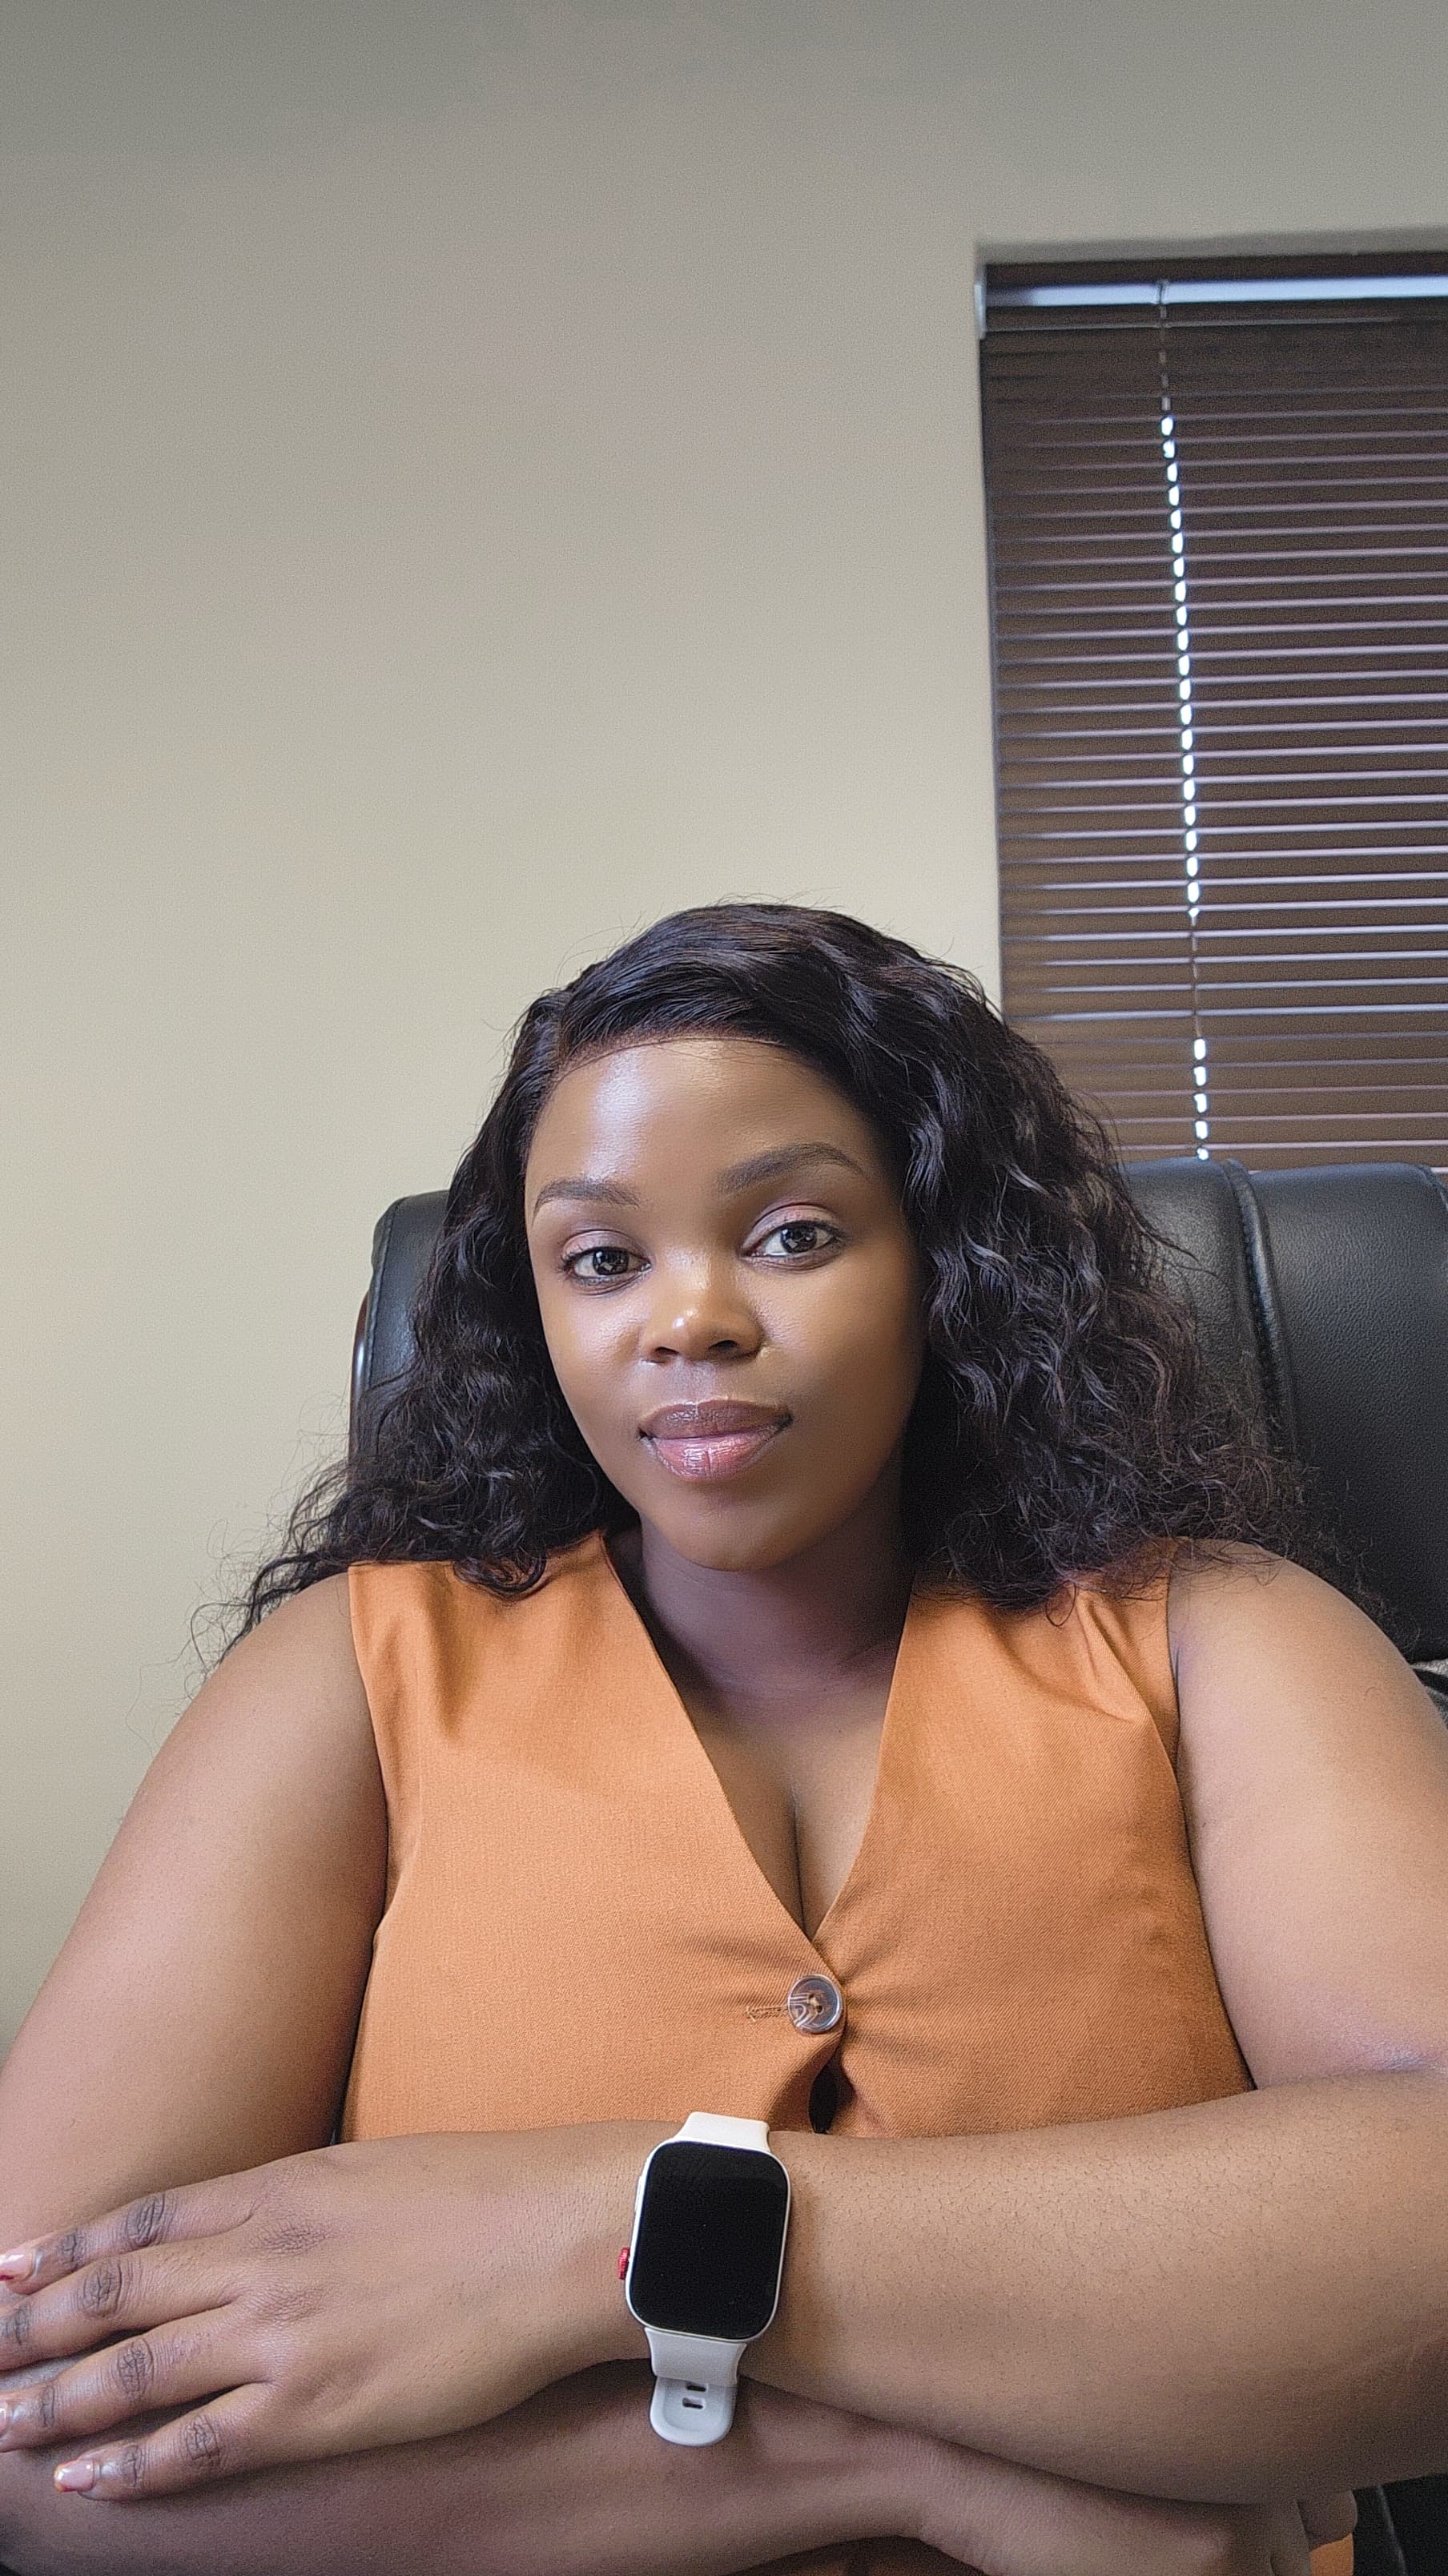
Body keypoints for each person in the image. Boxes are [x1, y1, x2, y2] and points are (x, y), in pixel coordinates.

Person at [1, 900, 1444, 2576]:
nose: (684, 1319)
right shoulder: (347, 1677)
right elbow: (41, 2421)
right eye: (602, 1259)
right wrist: (889, 2463)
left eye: (791, 1236)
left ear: (945, 1263)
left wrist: (592, 2230)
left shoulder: (1218, 1636)